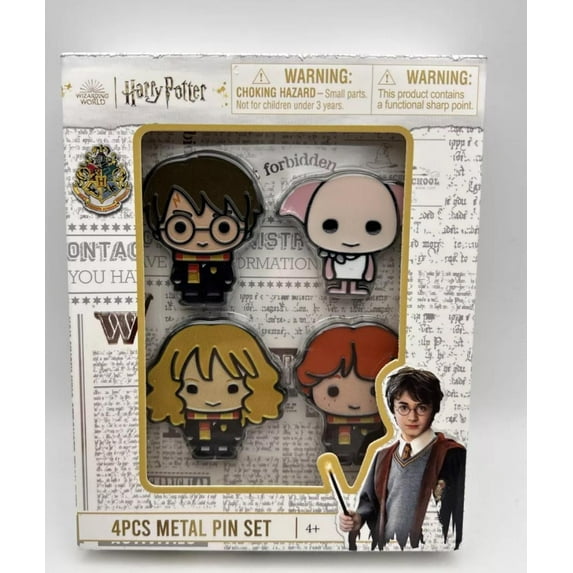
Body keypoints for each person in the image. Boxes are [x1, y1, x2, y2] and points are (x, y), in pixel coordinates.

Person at [339, 367, 466, 550]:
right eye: (404, 407)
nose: (412, 417)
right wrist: (357, 518)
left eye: (421, 408)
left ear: (434, 409)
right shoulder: (382, 457)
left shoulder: (452, 455)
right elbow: (369, 505)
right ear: (393, 409)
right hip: (389, 553)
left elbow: (458, 514)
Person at [147, 321, 284, 459]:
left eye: (232, 388)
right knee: (198, 436)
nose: (212, 400)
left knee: (229, 437)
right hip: (196, 427)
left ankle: (227, 447)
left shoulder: (237, 416)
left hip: (231, 426)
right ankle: (202, 448)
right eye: (192, 389)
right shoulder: (188, 417)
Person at [143, 151, 264, 304]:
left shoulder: (223, 258)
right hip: (189, 284)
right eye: (180, 227)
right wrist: (178, 279)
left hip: (217, 285)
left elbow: (226, 273)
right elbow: (178, 272)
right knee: (190, 290)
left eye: (223, 228)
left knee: (215, 290)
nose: (202, 240)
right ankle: (191, 296)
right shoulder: (182, 259)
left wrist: (227, 280)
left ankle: (214, 296)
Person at [278, 172, 401, 295]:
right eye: (330, 225)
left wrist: (368, 276)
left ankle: (354, 288)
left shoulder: (365, 256)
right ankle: (342, 287)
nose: (351, 240)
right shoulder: (333, 255)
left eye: (372, 227)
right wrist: (330, 274)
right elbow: (330, 265)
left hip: (358, 273)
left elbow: (369, 266)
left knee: (354, 277)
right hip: (340, 272)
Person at [294, 322, 398, 465]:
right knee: (339, 445)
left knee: (372, 445)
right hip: (339, 436)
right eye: (333, 391)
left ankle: (365, 455)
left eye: (373, 391)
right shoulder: (331, 421)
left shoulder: (381, 420)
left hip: (374, 435)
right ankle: (343, 455)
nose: (354, 402)